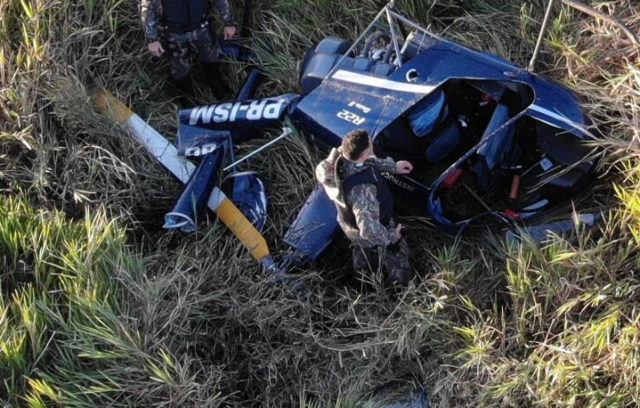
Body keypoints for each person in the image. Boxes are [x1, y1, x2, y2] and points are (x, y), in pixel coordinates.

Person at [316, 128, 414, 286]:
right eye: (370, 145)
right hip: (377, 226)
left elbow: (369, 161)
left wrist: (393, 166)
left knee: (364, 258)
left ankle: (364, 281)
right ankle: (403, 290)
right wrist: (391, 237)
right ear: (364, 155)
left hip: (350, 226)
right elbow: (369, 231)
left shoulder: (337, 161)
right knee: (398, 258)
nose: (373, 145)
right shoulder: (363, 190)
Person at [141, 0, 237, 103]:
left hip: (202, 26)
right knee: (180, 68)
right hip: (175, 32)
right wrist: (152, 38)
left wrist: (229, 22)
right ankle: (187, 96)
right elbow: (148, 6)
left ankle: (216, 83)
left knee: (211, 56)